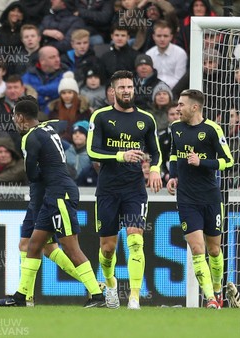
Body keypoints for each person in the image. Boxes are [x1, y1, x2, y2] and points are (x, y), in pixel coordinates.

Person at [0, 98, 105, 307]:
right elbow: (62, 124)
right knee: (34, 245)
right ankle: (21, 297)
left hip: (59, 194)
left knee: (71, 248)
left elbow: (32, 174)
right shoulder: (49, 127)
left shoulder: (29, 138)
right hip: (53, 196)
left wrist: (42, 168)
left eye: (15, 117)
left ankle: (97, 294)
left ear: (20, 118)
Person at [86, 70, 163, 310]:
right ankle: (110, 285)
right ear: (113, 91)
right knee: (108, 249)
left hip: (134, 190)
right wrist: (121, 155)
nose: (127, 91)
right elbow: (92, 151)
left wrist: (155, 169)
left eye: (130, 87)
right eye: (122, 88)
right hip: (108, 190)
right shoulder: (100, 117)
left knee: (135, 241)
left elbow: (157, 151)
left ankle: (134, 298)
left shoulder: (146, 119)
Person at [166, 89, 233, 308]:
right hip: (186, 198)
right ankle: (210, 299)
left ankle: (217, 290)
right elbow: (174, 155)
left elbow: (228, 161)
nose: (177, 108)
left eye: (181, 105)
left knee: (214, 249)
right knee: (197, 248)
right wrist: (173, 176)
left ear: (195, 107)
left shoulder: (212, 130)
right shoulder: (175, 128)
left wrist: (202, 162)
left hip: (211, 198)